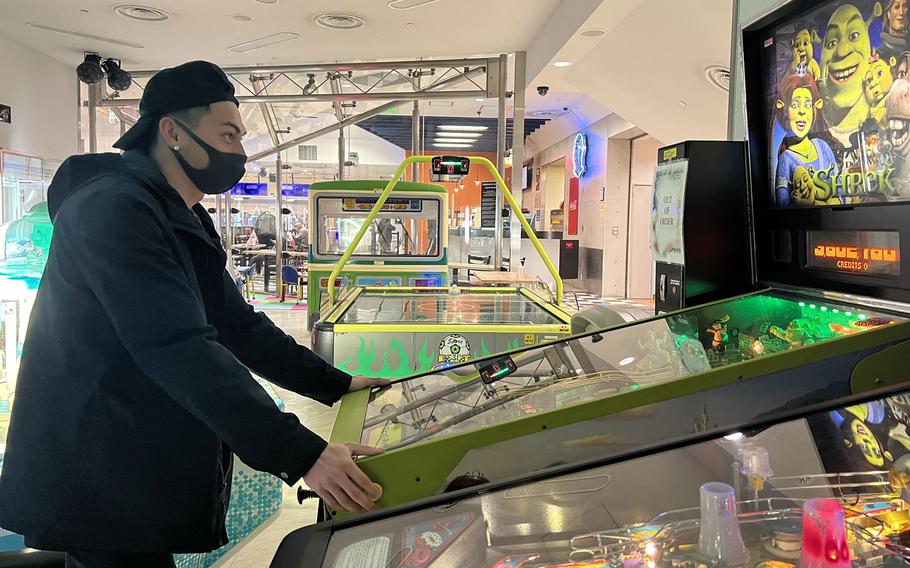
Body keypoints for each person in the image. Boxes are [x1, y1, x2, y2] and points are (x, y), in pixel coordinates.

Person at [0, 61, 387, 568]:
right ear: (171, 131)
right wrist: (302, 454)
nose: (240, 152)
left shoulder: (180, 214)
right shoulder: (114, 209)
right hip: (96, 463)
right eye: (227, 134)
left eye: (241, 137)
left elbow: (235, 324)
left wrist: (336, 382)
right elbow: (175, 345)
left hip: (133, 458)